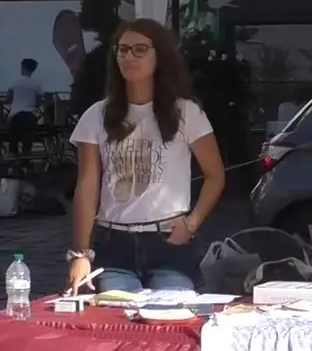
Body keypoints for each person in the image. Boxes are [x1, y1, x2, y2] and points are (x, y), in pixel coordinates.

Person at [65, 18, 226, 294]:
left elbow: (215, 175)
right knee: (116, 322)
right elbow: (87, 188)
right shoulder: (97, 116)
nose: (129, 56)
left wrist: (192, 223)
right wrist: (80, 254)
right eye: (123, 49)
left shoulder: (186, 113)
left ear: (159, 57)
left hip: (168, 242)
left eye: (140, 49)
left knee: (171, 320)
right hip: (114, 244)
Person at [6, 57, 42, 155]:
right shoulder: (36, 84)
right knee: (27, 140)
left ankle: (14, 159)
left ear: (22, 67)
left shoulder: (14, 81)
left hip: (15, 115)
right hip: (30, 115)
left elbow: (8, 98)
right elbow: (39, 101)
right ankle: (26, 161)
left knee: (13, 139)